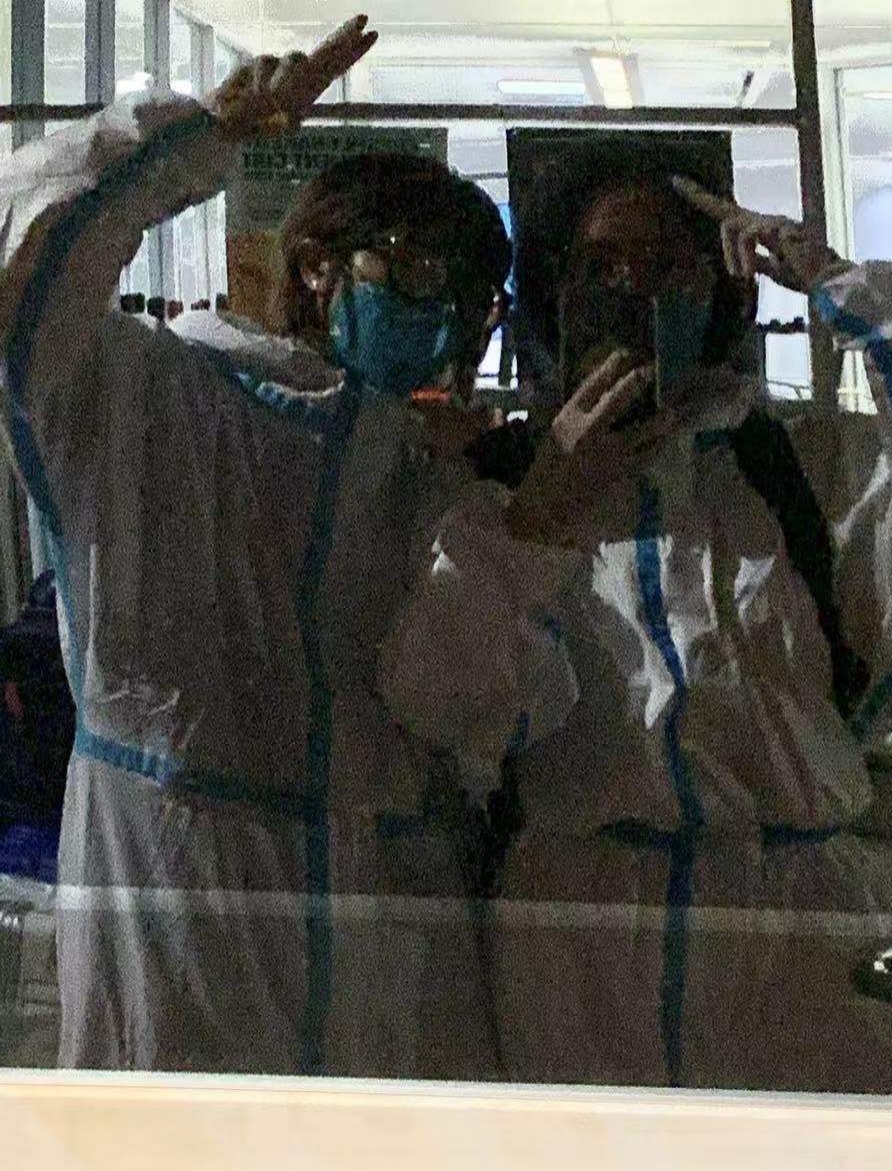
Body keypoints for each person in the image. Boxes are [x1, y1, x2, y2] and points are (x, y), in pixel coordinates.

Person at [380, 148, 892, 1093]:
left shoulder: (802, 473)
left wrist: (853, 292)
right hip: (577, 938)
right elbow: (440, 701)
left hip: (797, 931)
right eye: (600, 266)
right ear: (553, 295)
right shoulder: (491, 492)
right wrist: (539, 518)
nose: (634, 289)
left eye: (668, 265)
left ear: (720, 292)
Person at [0, 16, 527, 1076]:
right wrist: (198, 135)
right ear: (318, 265)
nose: (443, 318)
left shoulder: (426, 473)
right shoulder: (148, 395)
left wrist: (517, 521)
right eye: (419, 271)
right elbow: (23, 261)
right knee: (182, 1169)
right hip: (178, 897)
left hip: (386, 918)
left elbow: (469, 713)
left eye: (471, 299)